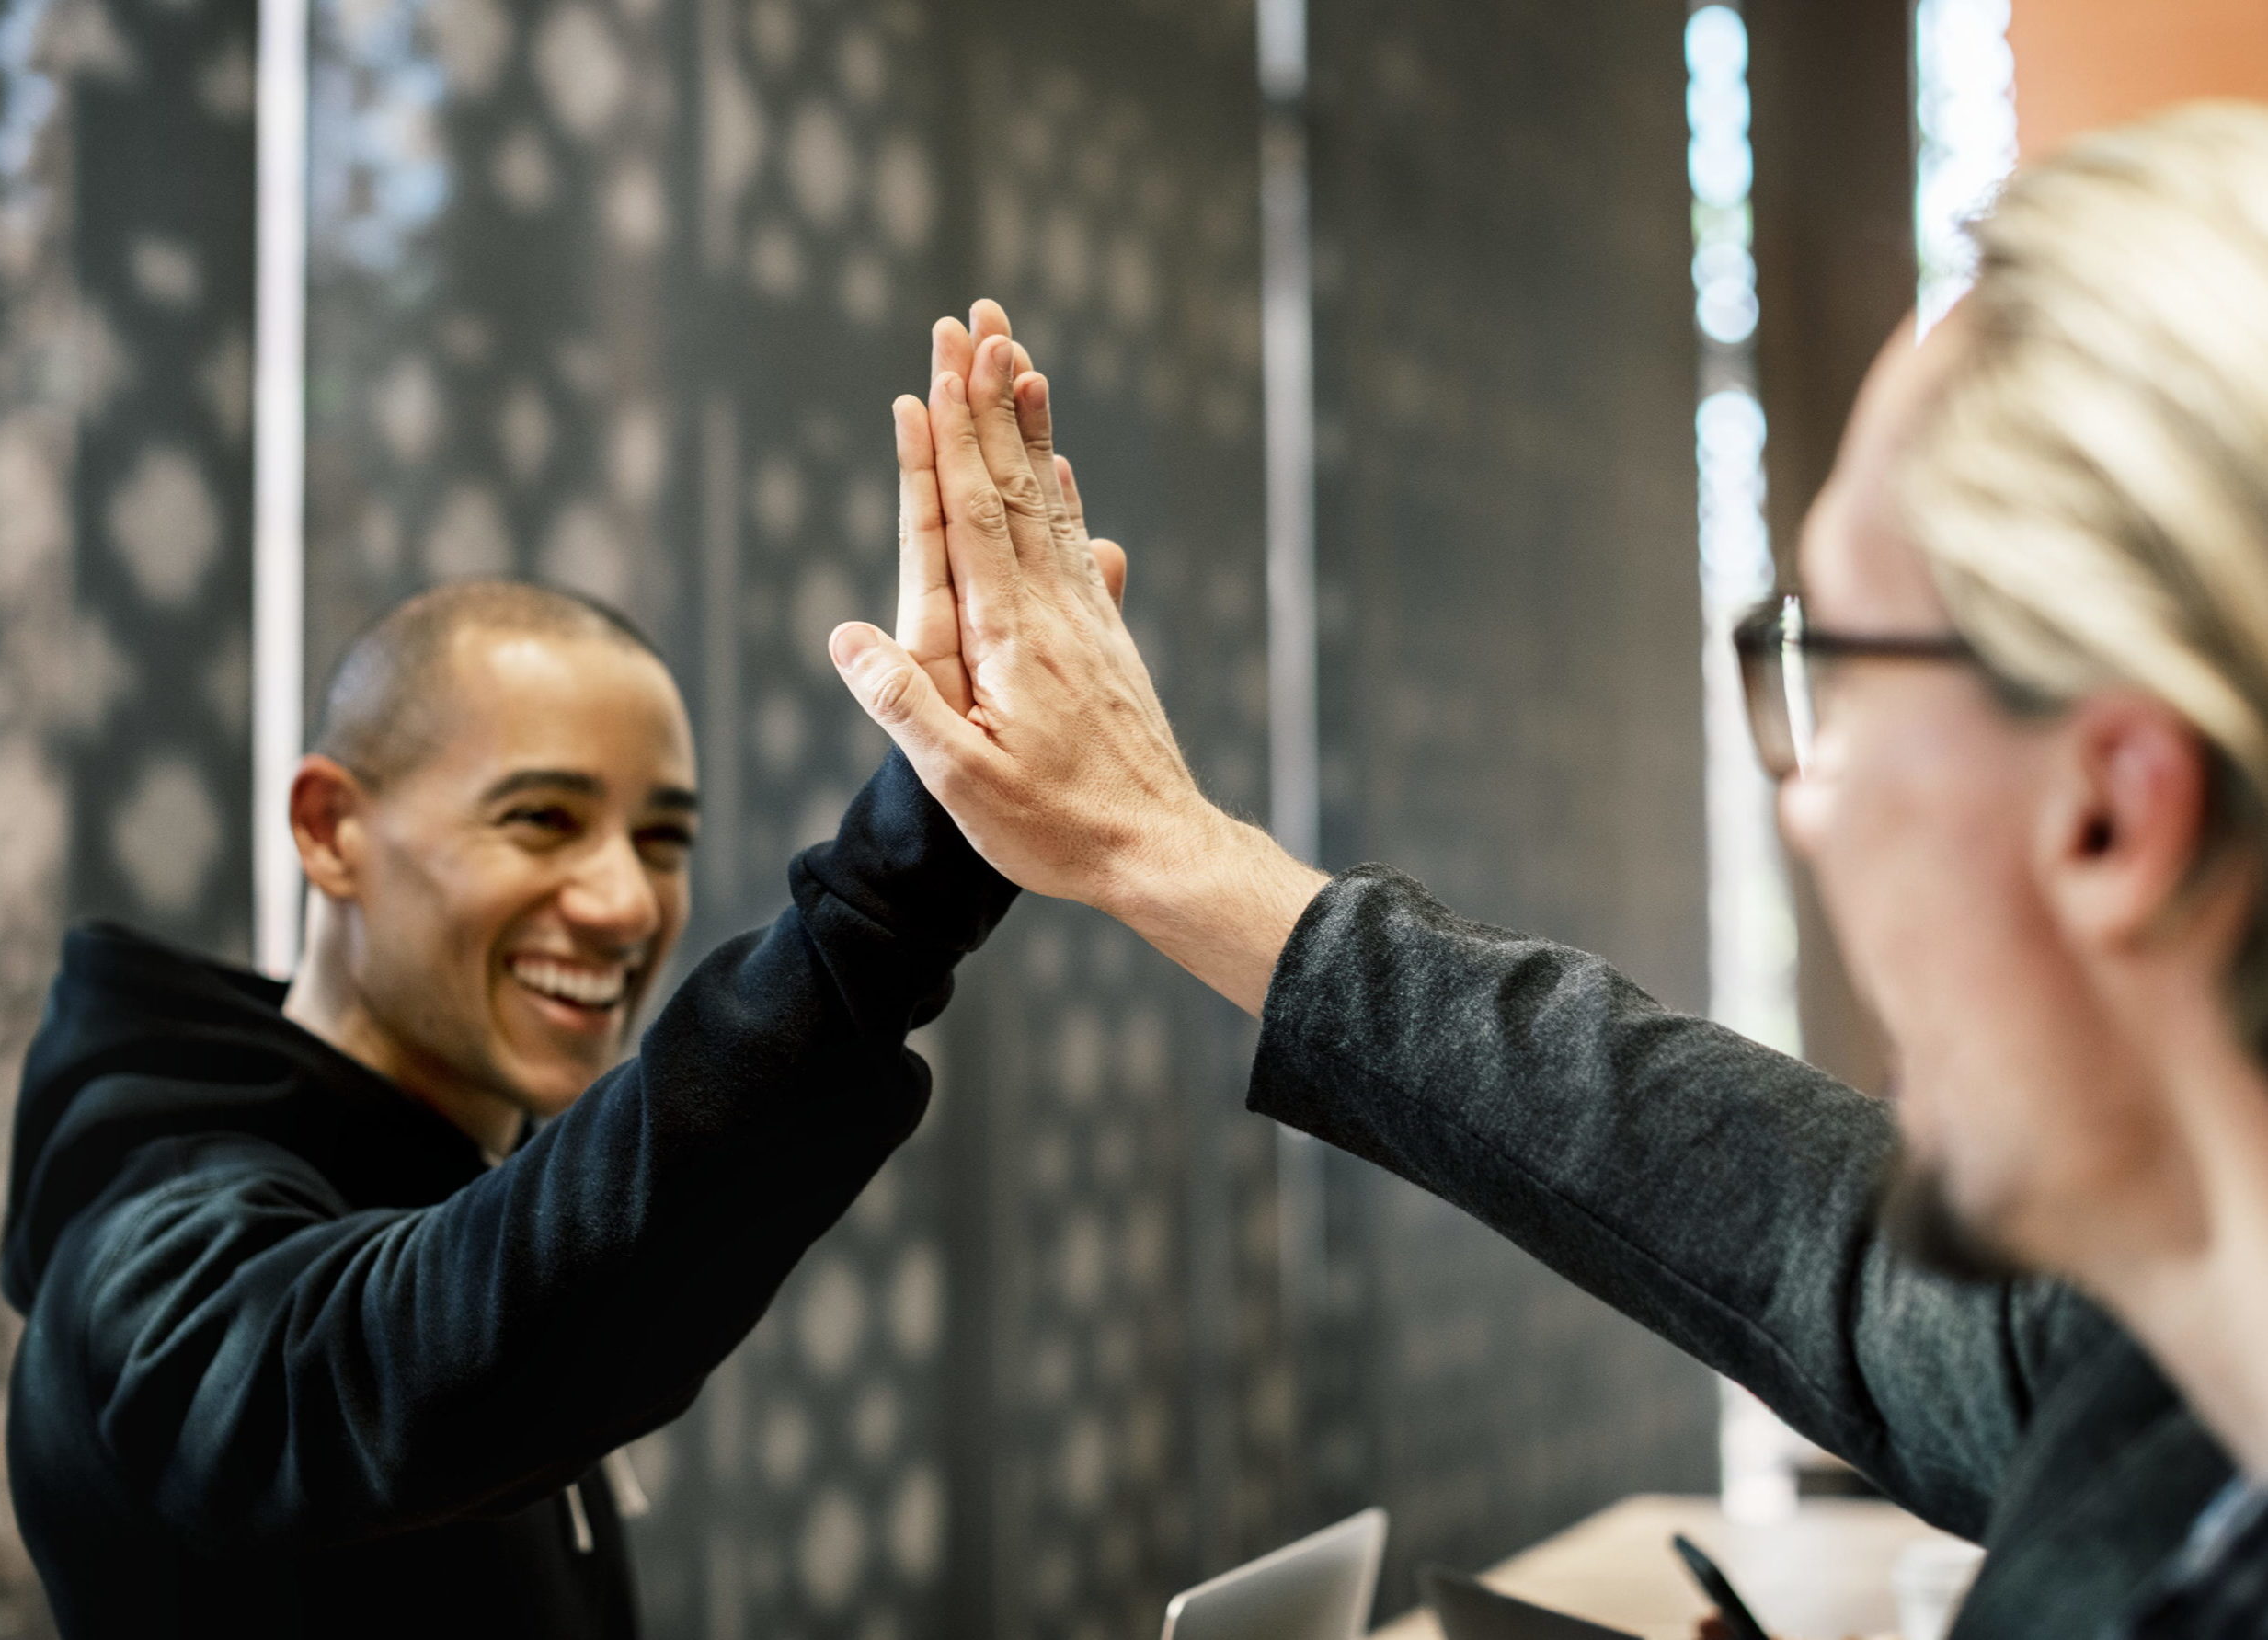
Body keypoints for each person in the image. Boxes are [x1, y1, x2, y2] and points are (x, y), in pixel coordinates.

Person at [829, 105, 2268, 1636]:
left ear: (2109, 816)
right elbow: (1770, 1212)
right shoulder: (2163, 1362)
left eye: (1823, 673)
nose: (1802, 806)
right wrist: (1165, 852)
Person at [0, 557, 1065, 1634]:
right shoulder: (141, 1235)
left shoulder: (450, 1167)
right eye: (540, 818)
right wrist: (890, 903)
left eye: (661, 841)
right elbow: (375, 1371)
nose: (622, 902)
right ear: (329, 828)